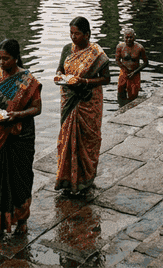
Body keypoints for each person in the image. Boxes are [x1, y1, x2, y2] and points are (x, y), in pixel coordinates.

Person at [0, 39, 42, 237]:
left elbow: (37, 108)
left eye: (5, 59)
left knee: (19, 178)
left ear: (15, 58)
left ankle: (21, 221)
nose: (0, 62)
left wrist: (17, 115)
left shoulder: (28, 80)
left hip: (19, 135)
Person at [55, 17, 110, 194]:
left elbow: (106, 78)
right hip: (69, 99)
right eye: (71, 33)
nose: (73, 37)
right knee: (66, 140)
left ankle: (86, 180)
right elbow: (60, 70)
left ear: (87, 34)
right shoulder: (67, 50)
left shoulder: (97, 54)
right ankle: (66, 181)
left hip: (88, 102)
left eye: (77, 34)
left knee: (88, 141)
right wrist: (59, 77)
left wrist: (84, 81)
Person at [115, 29, 148, 101]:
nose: (129, 39)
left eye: (131, 37)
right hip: (124, 72)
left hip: (135, 73)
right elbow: (117, 60)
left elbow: (146, 62)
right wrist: (125, 70)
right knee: (120, 90)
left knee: (133, 95)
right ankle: (121, 107)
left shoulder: (140, 48)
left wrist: (134, 72)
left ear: (134, 37)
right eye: (127, 37)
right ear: (124, 38)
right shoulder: (120, 47)